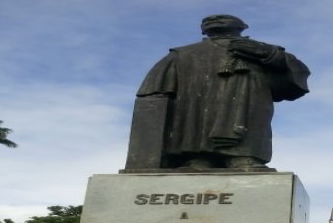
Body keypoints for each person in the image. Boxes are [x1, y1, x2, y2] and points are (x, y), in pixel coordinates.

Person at [126, 14, 310, 170]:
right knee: (196, 120)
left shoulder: (260, 49)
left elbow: (296, 70)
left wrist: (270, 55)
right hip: (196, 103)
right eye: (209, 20)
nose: (215, 19)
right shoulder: (182, 54)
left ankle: (243, 157)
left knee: (247, 119)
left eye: (222, 19)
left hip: (249, 103)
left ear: (242, 27)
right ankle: (197, 159)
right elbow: (154, 90)